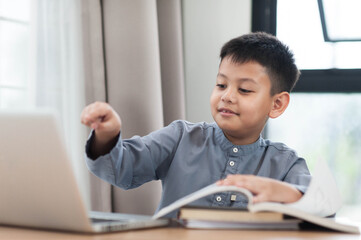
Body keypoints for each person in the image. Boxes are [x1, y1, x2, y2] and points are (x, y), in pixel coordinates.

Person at [81, 32, 311, 218]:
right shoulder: (180, 137)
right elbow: (123, 167)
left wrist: (290, 194)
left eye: (244, 90)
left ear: (277, 104)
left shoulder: (286, 164)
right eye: (221, 85)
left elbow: (321, 208)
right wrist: (107, 136)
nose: (227, 96)